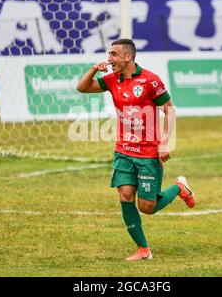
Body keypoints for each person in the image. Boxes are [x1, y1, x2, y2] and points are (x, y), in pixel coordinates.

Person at [77, 38, 196, 261]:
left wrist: (164, 143)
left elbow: (169, 111)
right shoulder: (112, 79)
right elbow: (82, 88)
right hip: (123, 149)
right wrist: (94, 69)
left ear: (127, 57)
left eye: (113, 54)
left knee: (148, 207)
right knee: (125, 194)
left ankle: (179, 187)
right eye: (109, 54)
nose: (109, 59)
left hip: (148, 152)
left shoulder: (151, 81)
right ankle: (143, 249)